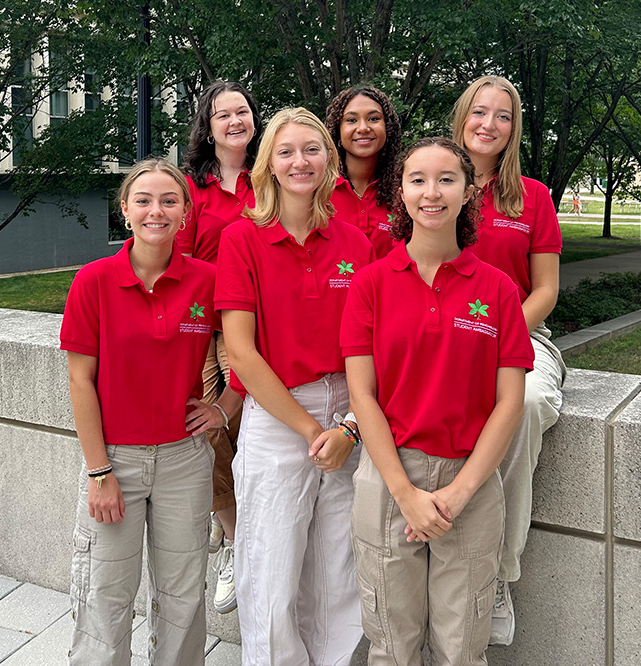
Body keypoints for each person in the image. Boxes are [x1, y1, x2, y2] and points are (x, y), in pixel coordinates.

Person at [342, 136, 533, 665]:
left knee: (462, 649)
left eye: (447, 179)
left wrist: (459, 493)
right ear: (399, 192)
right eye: (417, 180)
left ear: (470, 191)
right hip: (387, 479)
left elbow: (510, 402)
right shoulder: (370, 286)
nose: (432, 193)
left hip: (470, 481)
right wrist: (404, 492)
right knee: (392, 647)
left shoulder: (496, 291)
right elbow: (363, 394)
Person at [215, 107, 375, 665]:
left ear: (330, 162)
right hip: (280, 416)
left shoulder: (356, 245)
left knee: (337, 572)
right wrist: (313, 429)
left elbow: (368, 349)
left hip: (348, 415)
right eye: (286, 151)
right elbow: (241, 352)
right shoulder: (242, 241)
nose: (299, 160)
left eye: (312, 149)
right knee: (271, 571)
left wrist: (350, 429)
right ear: (269, 166)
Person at [61, 158, 224, 665]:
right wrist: (99, 470)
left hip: (185, 459)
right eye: (145, 200)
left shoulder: (208, 282)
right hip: (117, 461)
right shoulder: (93, 282)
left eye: (169, 201)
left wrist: (226, 406)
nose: (157, 210)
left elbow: (245, 351)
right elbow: (79, 380)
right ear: (126, 211)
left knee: (183, 596)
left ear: (185, 214)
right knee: (105, 595)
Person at [452, 75, 568, 646]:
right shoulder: (432, 183)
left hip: (519, 336)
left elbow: (545, 291)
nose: (489, 124)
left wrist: (496, 335)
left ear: (513, 129)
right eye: (480, 112)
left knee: (523, 405)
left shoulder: (534, 197)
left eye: (503, 116)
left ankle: (499, 577)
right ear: (462, 117)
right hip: (440, 339)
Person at [178, 79, 264, 614]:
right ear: (207, 129)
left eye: (243, 111)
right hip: (203, 325)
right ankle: (233, 538)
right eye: (222, 114)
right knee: (205, 429)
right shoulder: (192, 189)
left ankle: (250, 532)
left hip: (255, 324)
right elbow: (181, 262)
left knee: (251, 425)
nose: (235, 121)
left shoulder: (272, 177)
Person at [326, 85, 403, 259]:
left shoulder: (405, 190)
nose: (363, 128)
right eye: (351, 120)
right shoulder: (319, 189)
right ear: (338, 130)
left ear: (387, 127)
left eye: (373, 119)